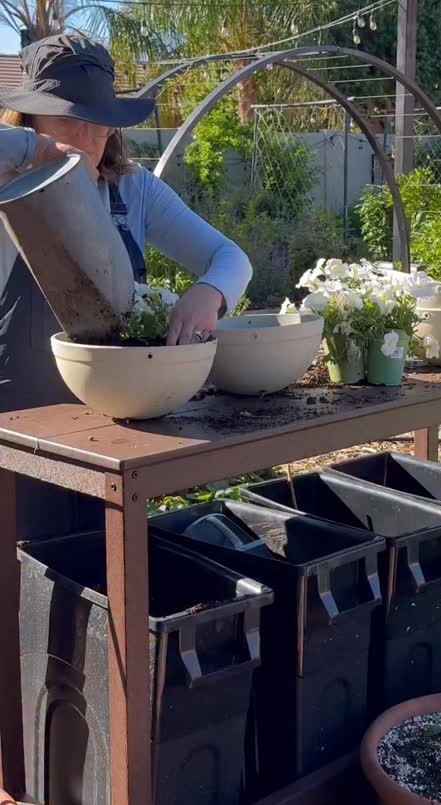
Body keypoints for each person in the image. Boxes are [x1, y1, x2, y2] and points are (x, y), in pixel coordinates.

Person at [0, 32, 253, 539]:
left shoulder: (133, 191)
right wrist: (33, 151)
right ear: (29, 120)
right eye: (68, 119)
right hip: (18, 437)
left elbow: (231, 259)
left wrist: (209, 294)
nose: (88, 137)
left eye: (99, 122)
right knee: (22, 575)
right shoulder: (7, 189)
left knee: (106, 569)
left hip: (113, 436)